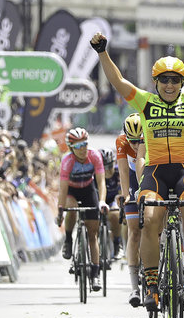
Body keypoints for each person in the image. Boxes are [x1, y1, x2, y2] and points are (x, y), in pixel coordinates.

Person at [90, 27, 184, 313]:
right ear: (156, 82)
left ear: (182, 81)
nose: (170, 85)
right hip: (155, 171)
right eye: (164, 80)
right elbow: (118, 81)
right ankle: (150, 282)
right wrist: (102, 53)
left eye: (175, 80)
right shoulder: (145, 103)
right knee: (149, 218)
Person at [56, 127, 109, 292]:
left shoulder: (94, 156)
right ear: (71, 147)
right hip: (71, 191)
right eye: (78, 146)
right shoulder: (67, 161)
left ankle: (95, 273)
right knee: (71, 208)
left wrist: (101, 202)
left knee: (93, 233)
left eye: (85, 144)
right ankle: (68, 238)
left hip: (88, 189)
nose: (83, 148)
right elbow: (62, 189)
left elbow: (101, 183)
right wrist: (60, 211)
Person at [117, 112, 144, 307]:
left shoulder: (152, 139)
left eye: (139, 141)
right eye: (132, 141)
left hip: (151, 176)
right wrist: (127, 194)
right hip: (134, 180)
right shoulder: (121, 142)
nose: (135, 145)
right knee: (134, 231)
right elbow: (124, 171)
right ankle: (134, 287)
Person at [100, 148, 123, 259]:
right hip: (100, 199)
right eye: (104, 167)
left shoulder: (118, 172)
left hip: (113, 199)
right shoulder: (95, 173)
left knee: (115, 215)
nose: (107, 170)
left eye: (110, 166)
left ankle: (117, 243)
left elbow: (121, 193)